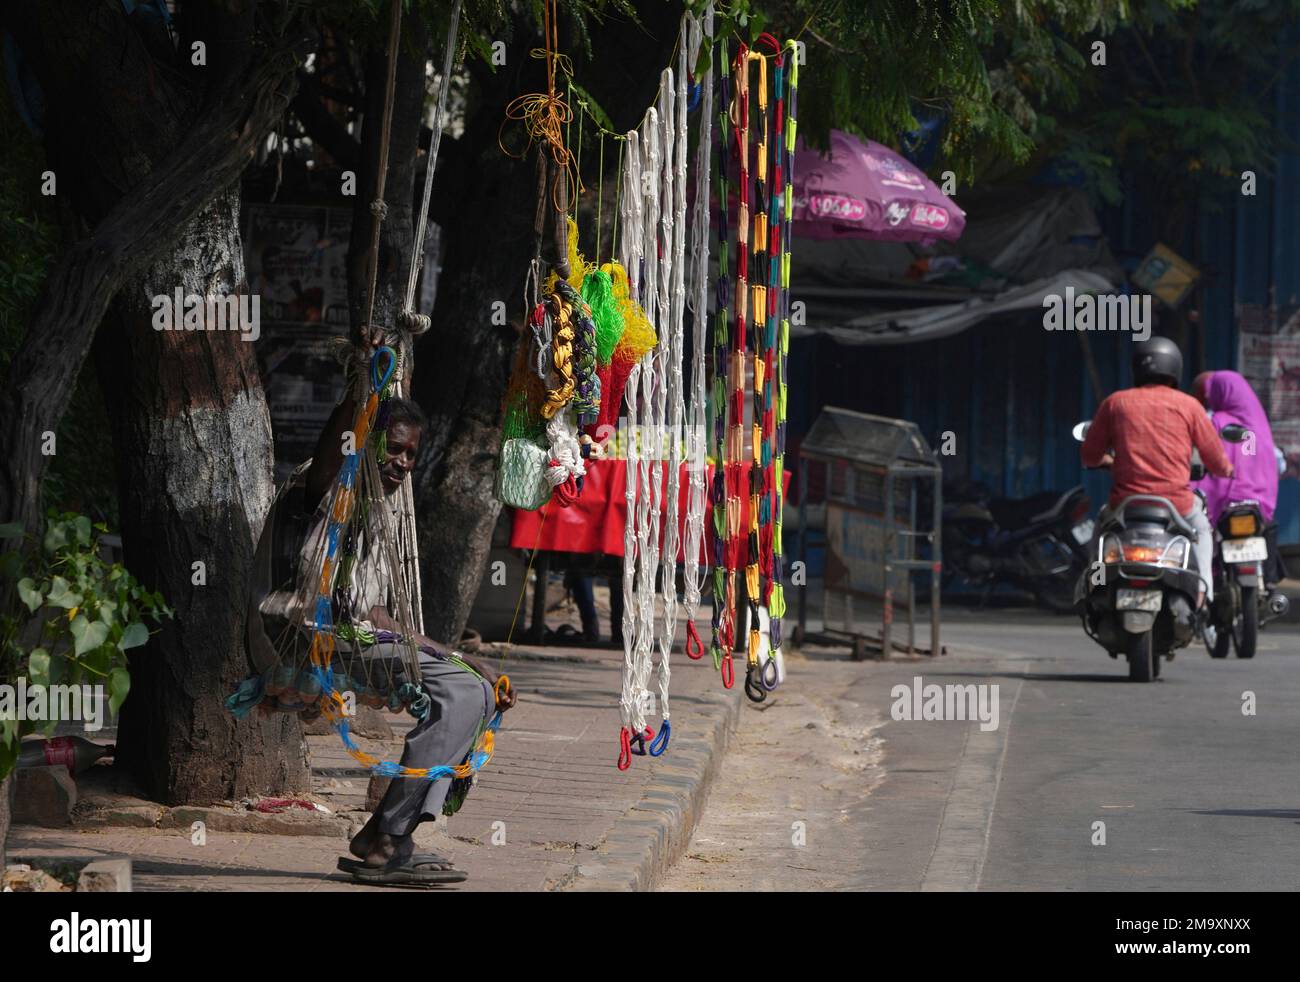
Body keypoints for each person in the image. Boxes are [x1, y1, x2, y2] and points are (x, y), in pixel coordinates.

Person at [236, 334, 514, 887]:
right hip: (303, 633)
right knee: (458, 695)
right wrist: (361, 388)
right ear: (365, 443)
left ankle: (387, 834)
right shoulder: (328, 489)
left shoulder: (379, 514)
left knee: (475, 688)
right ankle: (389, 836)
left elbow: (381, 618)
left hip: (354, 636)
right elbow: (338, 445)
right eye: (394, 448)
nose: (403, 463)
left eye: (412, 454)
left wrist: (456, 654)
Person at [1080, 336, 1233, 611]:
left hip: (1125, 505)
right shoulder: (1190, 406)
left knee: (1100, 533)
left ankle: (1093, 585)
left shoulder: (1115, 403)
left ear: (1136, 368)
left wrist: (1106, 461)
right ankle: (1202, 594)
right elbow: (1217, 460)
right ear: (1175, 368)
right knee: (1202, 530)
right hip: (1178, 505)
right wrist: (1227, 469)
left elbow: (1089, 455)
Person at [1191, 369, 1289, 589]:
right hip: (1257, 502)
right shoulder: (1257, 427)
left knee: (1200, 531)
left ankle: (1203, 588)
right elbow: (1277, 462)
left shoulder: (1212, 421)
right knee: (1268, 526)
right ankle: (1270, 580)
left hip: (1221, 501)